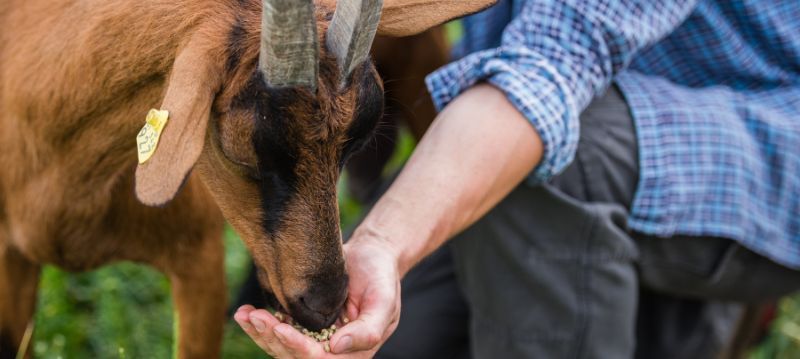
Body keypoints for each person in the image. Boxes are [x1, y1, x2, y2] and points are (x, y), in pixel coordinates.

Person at [234, 0, 800, 357]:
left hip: (763, 135)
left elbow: (547, 74)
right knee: (363, 337)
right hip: (593, 122)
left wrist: (384, 242)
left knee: (545, 161)